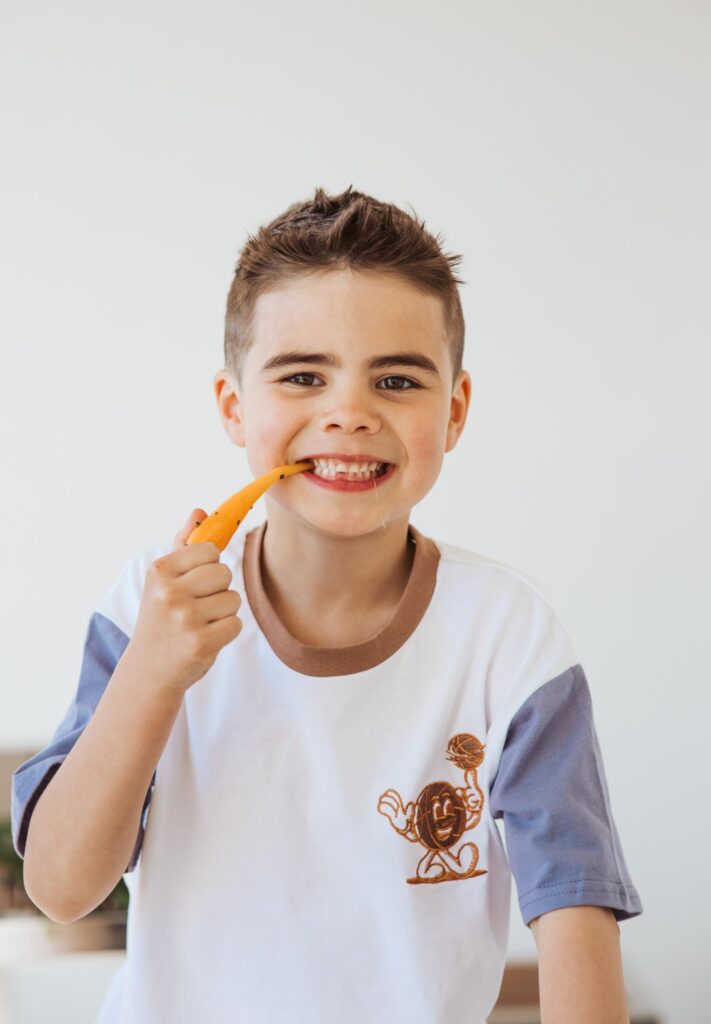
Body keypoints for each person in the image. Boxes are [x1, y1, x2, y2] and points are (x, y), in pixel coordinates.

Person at [11, 185, 642, 1023]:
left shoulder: (507, 636)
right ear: (235, 409)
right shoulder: (148, 606)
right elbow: (61, 888)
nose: (348, 414)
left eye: (396, 380)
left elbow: (573, 907)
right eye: (303, 376)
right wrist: (152, 674)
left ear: (451, 414)